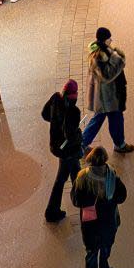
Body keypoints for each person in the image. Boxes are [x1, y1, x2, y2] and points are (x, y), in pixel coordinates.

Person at [73, 146, 128, 268]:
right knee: (105, 250)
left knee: (91, 253)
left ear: (90, 158)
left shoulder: (82, 177)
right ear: (105, 159)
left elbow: (76, 201)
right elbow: (122, 197)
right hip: (108, 223)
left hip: (89, 225)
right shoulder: (112, 176)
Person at [79, 27, 134, 153]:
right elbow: (107, 76)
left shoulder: (102, 51)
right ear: (104, 40)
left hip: (106, 95)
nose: (111, 40)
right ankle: (119, 144)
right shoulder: (99, 56)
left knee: (102, 119)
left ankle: (83, 143)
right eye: (109, 38)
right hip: (107, 97)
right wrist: (118, 61)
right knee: (113, 119)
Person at [41, 77, 83, 222]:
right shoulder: (74, 112)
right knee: (67, 178)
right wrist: (79, 135)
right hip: (68, 151)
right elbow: (70, 135)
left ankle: (80, 201)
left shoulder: (55, 99)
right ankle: (82, 204)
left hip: (56, 146)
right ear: (74, 95)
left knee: (74, 173)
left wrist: (55, 122)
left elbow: (45, 114)